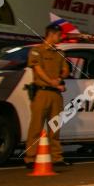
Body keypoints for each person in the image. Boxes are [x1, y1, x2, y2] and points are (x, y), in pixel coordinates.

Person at [24, 24, 71, 169]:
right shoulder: (36, 51)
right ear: (52, 34)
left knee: (55, 127)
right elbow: (38, 70)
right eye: (59, 35)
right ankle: (31, 158)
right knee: (36, 126)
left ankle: (56, 157)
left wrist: (59, 78)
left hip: (55, 94)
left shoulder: (60, 53)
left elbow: (66, 70)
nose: (60, 38)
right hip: (42, 92)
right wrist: (52, 82)